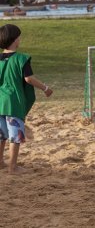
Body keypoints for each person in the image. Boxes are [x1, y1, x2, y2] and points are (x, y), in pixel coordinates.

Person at [0, 24, 53, 174]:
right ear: (15, 40)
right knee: (15, 134)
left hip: (0, 102)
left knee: (1, 134)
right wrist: (45, 88)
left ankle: (0, 162)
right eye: (19, 37)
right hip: (13, 103)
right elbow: (29, 79)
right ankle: (13, 167)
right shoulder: (21, 59)